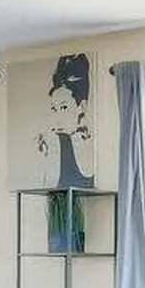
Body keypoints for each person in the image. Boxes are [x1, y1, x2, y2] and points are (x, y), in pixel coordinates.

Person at [37, 54, 95, 188]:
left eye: (64, 107)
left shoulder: (90, 145)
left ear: (81, 106)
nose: (57, 117)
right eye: (54, 109)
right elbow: (48, 189)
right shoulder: (54, 143)